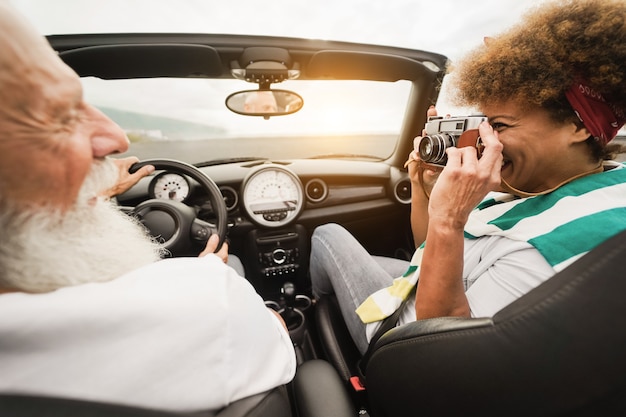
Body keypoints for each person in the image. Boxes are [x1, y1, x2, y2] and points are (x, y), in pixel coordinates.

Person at [0, 2, 295, 413]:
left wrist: (93, 190)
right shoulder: (211, 299)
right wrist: (208, 273)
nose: (116, 137)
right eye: (58, 113)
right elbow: (277, 339)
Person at [310, 0, 626, 355]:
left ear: (578, 126)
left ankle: (322, 334)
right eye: (484, 123)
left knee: (327, 236)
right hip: (435, 286)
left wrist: (448, 220)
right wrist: (423, 186)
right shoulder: (571, 185)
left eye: (500, 126)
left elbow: (439, 344)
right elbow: (426, 253)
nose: (483, 140)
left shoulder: (537, 251)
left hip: (399, 343)